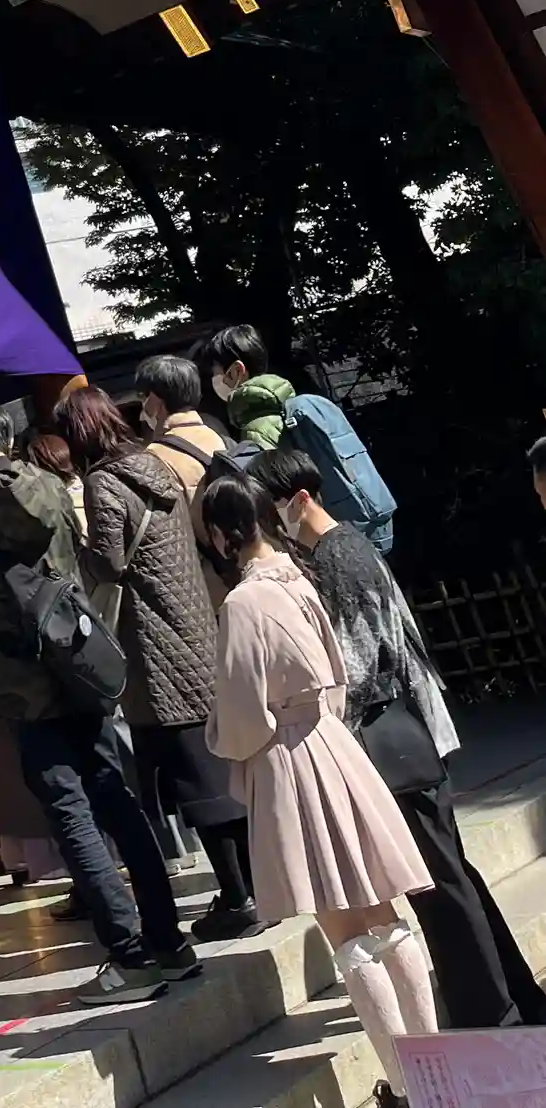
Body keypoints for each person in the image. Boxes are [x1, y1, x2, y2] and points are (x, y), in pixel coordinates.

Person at [253, 444, 546, 1031]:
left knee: (439, 883)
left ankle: (493, 1013)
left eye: (270, 509)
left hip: (390, 740)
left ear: (299, 500)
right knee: (450, 878)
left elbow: (361, 667)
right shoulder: (347, 547)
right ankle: (509, 1001)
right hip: (406, 736)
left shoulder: (338, 558)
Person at [0, 397, 195, 1004]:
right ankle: (169, 943)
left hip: (23, 686)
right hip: (79, 664)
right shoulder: (51, 488)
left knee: (70, 813)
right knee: (117, 798)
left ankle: (128, 955)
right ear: (8, 436)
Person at [202, 473, 436, 1108]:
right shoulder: (297, 579)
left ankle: (406, 1086)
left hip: (290, 758)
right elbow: (335, 674)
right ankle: (435, 1066)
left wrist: (225, 736)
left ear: (223, 535)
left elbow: (242, 713)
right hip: (334, 744)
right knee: (387, 916)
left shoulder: (243, 603)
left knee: (347, 930)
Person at [55, 387, 259, 942]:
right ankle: (252, 886)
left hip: (154, 644)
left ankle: (238, 898)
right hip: (195, 630)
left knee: (193, 779)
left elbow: (108, 562)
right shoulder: (153, 463)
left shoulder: (103, 482)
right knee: (216, 766)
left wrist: (74, 545)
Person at [197, 326, 396, 552]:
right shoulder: (296, 405)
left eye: (215, 373)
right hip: (361, 525)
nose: (213, 381)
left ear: (236, 371)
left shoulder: (258, 426)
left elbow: (273, 502)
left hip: (325, 541)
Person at [136, 354, 228, 555]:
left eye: (143, 397)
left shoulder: (154, 455)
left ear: (155, 399)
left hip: (208, 561)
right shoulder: (215, 430)